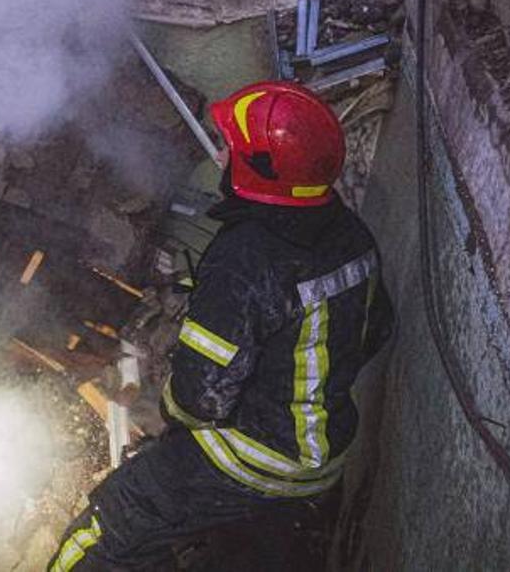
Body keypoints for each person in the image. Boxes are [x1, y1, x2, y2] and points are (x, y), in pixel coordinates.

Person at [49, 80, 394, 570]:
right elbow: (377, 330)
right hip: (327, 456)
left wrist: (166, 418)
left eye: (231, 149)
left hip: (254, 457)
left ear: (259, 170)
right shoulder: (351, 234)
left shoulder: (246, 257)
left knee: (109, 526)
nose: (222, 156)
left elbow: (198, 397)